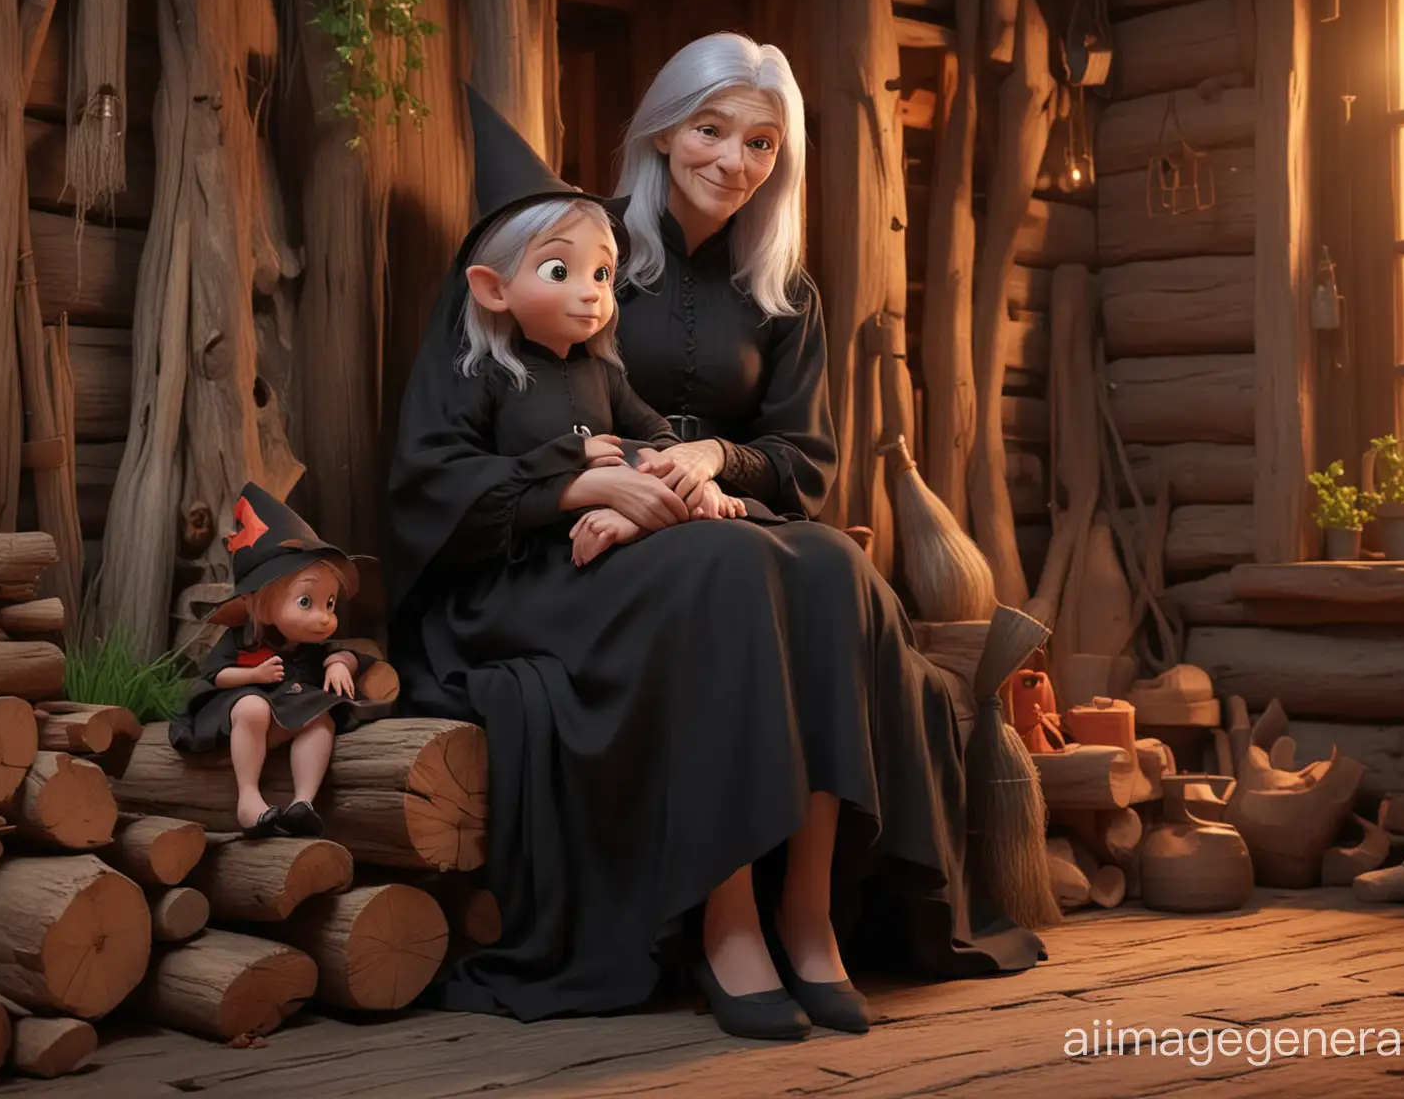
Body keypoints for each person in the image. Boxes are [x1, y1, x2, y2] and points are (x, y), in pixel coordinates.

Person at [388, 57, 1040, 1043]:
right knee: (729, 576)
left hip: (693, 520)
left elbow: (792, 461)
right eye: (710, 129)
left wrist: (696, 469)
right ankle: (726, 919)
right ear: (662, 130)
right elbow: (439, 472)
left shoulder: (772, 291)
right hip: (541, 564)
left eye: (761, 142)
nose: (733, 160)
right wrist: (595, 488)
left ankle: (808, 915)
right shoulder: (549, 242)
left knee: (833, 566)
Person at [449, 89, 746, 567]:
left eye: (603, 274)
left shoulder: (603, 374)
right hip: (542, 565)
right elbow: (461, 489)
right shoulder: (487, 378)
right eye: (559, 272)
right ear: (492, 288)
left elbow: (656, 435)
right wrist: (572, 474)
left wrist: (680, 480)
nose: (590, 292)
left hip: (615, 541)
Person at [170, 483, 391, 838]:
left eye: (330, 604)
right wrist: (253, 674)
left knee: (321, 720)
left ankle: (303, 801)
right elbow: (215, 677)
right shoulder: (241, 640)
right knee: (253, 707)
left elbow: (348, 654)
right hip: (243, 715)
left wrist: (339, 664)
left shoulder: (310, 647)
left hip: (292, 713)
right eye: (307, 602)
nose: (324, 618)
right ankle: (248, 798)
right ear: (264, 602)